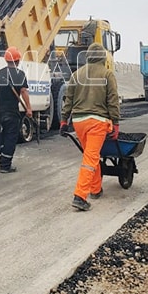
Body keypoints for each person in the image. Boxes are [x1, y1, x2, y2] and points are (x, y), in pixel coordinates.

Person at [60, 43, 120, 211]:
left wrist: (64, 120)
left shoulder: (76, 75)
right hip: (98, 122)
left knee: (90, 155)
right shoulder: (107, 74)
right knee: (91, 158)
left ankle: (96, 189)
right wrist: (115, 123)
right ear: (103, 58)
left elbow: (68, 100)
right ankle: (80, 196)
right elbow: (113, 100)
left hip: (79, 122)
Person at [0, 46, 33, 173]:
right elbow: (24, 91)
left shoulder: (0, 73)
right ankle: (5, 165)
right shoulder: (20, 74)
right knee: (11, 136)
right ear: (18, 60)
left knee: (3, 134)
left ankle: (3, 155)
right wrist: (29, 109)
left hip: (0, 112)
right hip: (12, 112)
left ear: (6, 60)